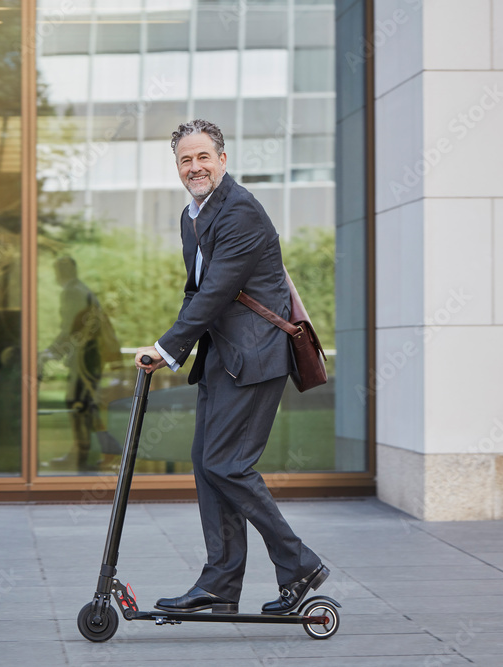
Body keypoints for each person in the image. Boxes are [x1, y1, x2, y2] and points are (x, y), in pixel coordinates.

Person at [135, 119, 328, 616]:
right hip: (223, 358)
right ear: (177, 167)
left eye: (203, 157)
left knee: (228, 464)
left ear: (223, 159)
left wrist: (167, 346)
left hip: (256, 358)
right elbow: (196, 293)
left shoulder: (240, 211)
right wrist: (167, 347)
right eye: (185, 160)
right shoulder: (192, 215)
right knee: (208, 464)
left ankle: (299, 563)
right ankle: (220, 582)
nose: (194, 167)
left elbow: (219, 291)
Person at [43, 256, 121, 472]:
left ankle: (92, 455)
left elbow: (70, 329)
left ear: (60, 272)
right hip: (89, 356)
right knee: (87, 407)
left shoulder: (73, 292)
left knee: (79, 405)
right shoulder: (81, 289)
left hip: (85, 359)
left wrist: (51, 353)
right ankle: (92, 453)